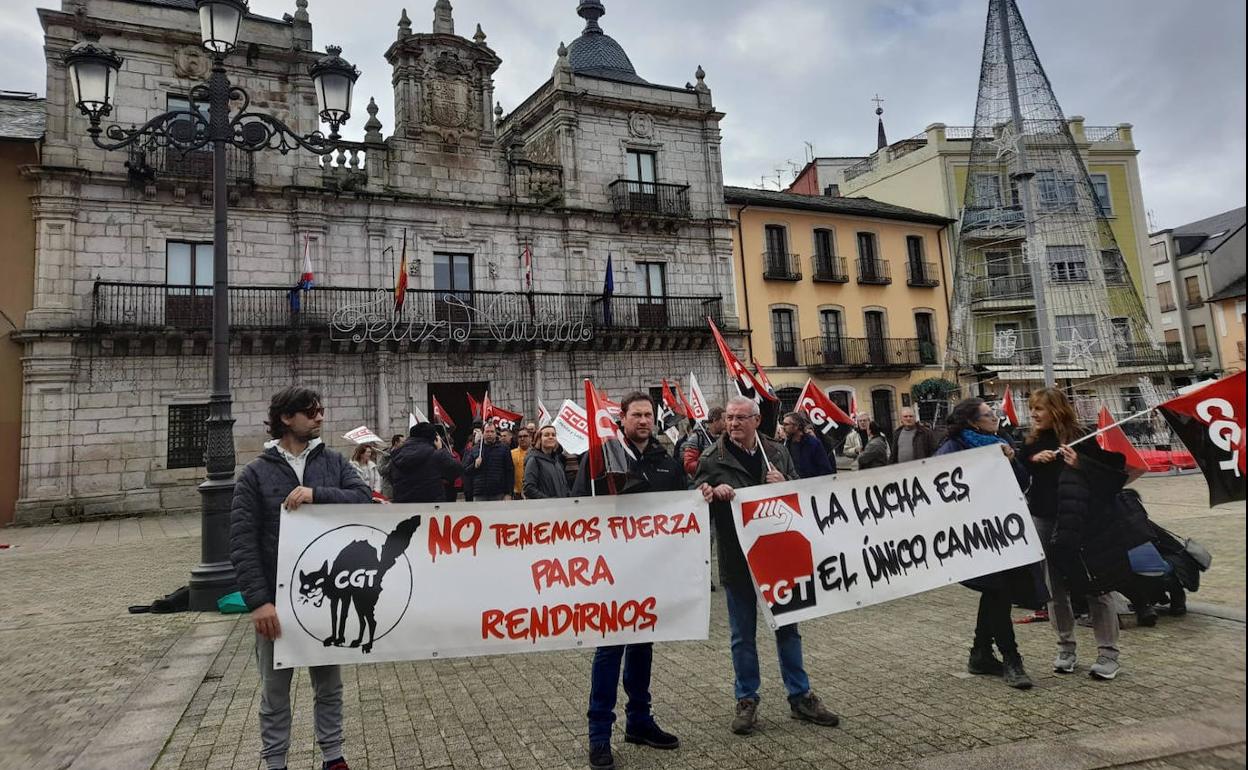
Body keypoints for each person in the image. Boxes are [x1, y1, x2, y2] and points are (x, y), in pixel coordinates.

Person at [229, 387, 372, 770]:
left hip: (325, 600)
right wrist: (258, 602)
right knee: (275, 692)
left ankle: (333, 756)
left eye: (321, 410)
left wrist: (317, 494)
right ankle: (275, 761)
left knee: (329, 685)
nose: (320, 417)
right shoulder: (255, 475)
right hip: (276, 602)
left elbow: (364, 498)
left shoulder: (334, 463)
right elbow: (242, 543)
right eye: (311, 412)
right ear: (287, 418)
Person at [694, 396, 840, 736]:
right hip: (738, 558)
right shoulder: (711, 457)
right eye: (729, 418)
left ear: (756, 421)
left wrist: (785, 484)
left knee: (788, 628)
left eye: (741, 418)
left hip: (779, 558)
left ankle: (800, 696)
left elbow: (800, 492)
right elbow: (695, 497)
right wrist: (712, 491)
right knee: (741, 635)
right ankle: (746, 700)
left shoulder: (776, 452)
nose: (733, 424)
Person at [572, 392, 685, 770]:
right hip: (611, 574)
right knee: (609, 651)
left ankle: (639, 720)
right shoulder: (599, 459)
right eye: (636, 414)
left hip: (651, 572)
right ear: (621, 418)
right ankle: (599, 735)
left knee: (642, 647)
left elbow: (682, 510)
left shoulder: (665, 461)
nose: (643, 420)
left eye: (648, 414)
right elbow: (577, 515)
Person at [1019, 387, 1128, 681]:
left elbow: (1110, 474)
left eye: (1039, 408)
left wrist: (1080, 464)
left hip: (1080, 522)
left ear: (1056, 409)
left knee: (1096, 586)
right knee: (1054, 589)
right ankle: (1066, 647)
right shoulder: (1030, 443)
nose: (1033, 414)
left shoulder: (1082, 436)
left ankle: (1108, 654)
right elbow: (1020, 474)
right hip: (1043, 519)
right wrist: (1029, 461)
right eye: (1032, 409)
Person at [935, 398, 1045, 689]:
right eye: (987, 414)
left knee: (1000, 591)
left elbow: (1023, 481)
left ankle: (981, 653)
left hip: (1006, 528)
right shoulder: (954, 447)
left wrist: (1011, 461)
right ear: (973, 421)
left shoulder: (1001, 440)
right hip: (977, 532)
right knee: (998, 590)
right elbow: (941, 485)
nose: (995, 417)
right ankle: (1011, 659)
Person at [388, 423, 464, 504]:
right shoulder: (435, 455)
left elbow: (391, 478)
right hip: (430, 507)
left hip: (403, 507)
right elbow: (456, 470)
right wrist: (441, 450)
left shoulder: (397, 455)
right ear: (434, 438)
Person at [462, 421, 514, 501]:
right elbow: (465, 471)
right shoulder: (475, 449)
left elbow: (509, 472)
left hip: (499, 493)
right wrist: (474, 465)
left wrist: (509, 493)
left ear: (496, 433)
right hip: (479, 493)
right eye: (487, 431)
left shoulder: (504, 449)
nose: (489, 434)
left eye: (492, 431)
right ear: (483, 433)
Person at [781, 412, 834, 478]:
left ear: (797, 426)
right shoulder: (785, 444)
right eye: (783, 424)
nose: (783, 427)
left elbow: (825, 469)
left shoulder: (813, 443)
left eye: (786, 424)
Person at [524, 425, 571, 499]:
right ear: (539, 439)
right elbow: (529, 488)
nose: (551, 437)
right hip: (545, 508)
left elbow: (565, 485)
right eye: (546, 435)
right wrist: (548, 500)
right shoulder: (534, 460)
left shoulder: (557, 461)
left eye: (553, 435)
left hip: (562, 506)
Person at [681, 406, 725, 476]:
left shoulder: (725, 437)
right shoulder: (697, 438)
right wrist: (710, 464)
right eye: (724, 420)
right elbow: (688, 465)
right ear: (715, 420)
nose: (726, 423)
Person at [377, 434, 404, 500]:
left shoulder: (404, 453)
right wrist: (391, 461)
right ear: (396, 443)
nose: (404, 444)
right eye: (403, 442)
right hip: (389, 489)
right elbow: (381, 471)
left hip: (402, 488)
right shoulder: (386, 454)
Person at [511, 427, 532, 499]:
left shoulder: (536, 453)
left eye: (525, 436)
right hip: (516, 493)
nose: (522, 438)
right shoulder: (511, 454)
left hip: (532, 493)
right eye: (520, 437)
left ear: (530, 438)